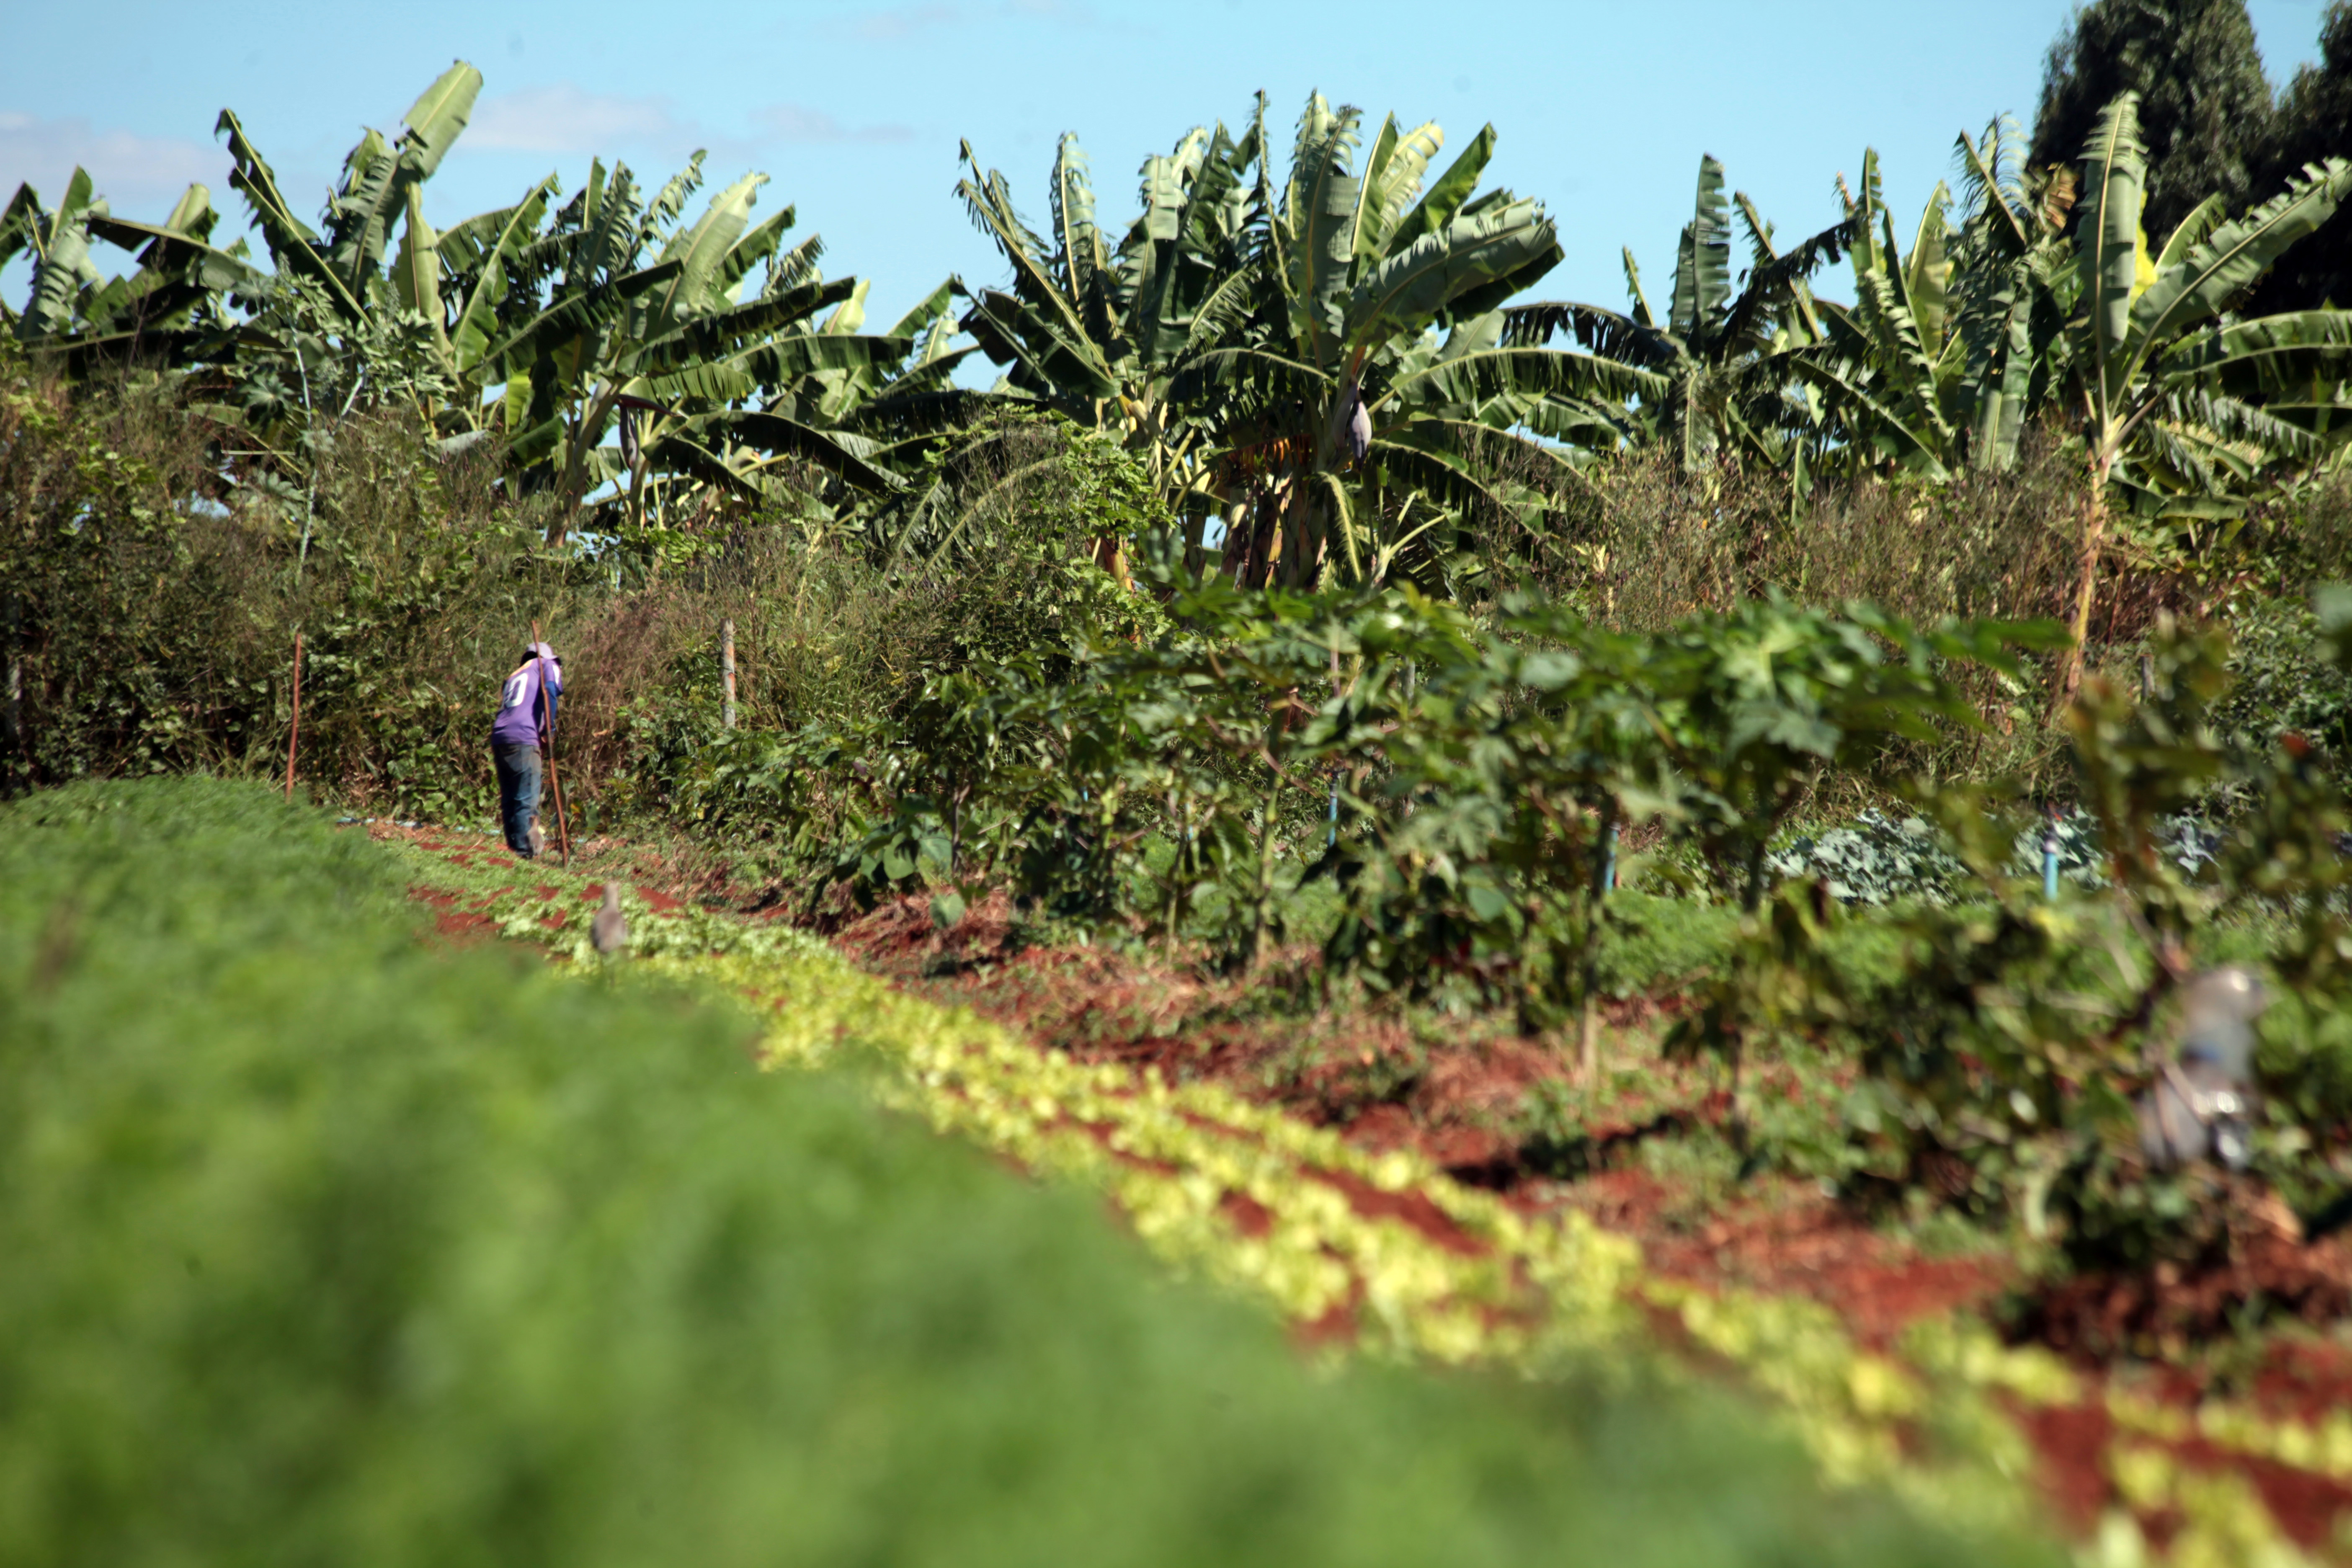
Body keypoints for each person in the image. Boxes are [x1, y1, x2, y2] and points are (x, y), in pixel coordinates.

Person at [491, 642, 562, 859]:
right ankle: (524, 853)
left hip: (500, 736)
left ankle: (513, 849)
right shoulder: (547, 664)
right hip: (524, 737)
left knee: (511, 796)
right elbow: (551, 690)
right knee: (526, 797)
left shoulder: (514, 675)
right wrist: (549, 727)